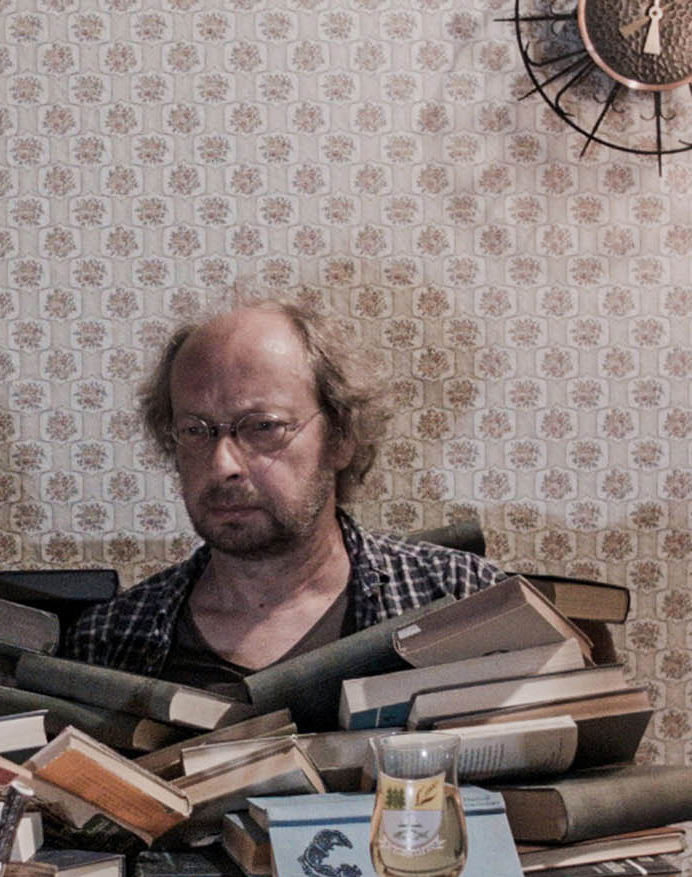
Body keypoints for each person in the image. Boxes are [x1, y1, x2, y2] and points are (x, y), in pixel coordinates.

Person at [66, 297, 505, 703]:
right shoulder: (106, 641)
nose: (222, 464)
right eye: (195, 430)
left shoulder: (467, 598)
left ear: (340, 438)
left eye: (263, 427)